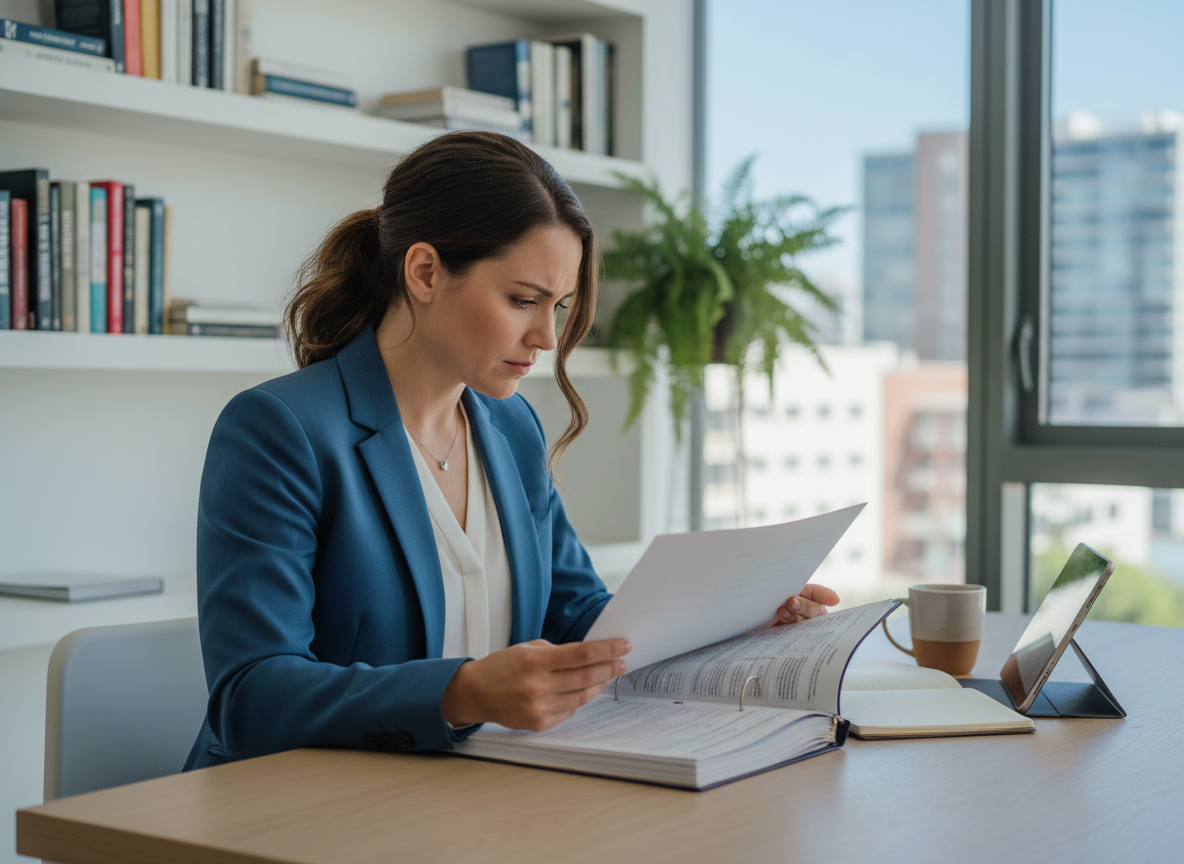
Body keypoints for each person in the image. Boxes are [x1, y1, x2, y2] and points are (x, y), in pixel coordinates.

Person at [184, 131, 838, 770]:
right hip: (299, 810)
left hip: (470, 800)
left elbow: (579, 615)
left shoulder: (509, 427)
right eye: (523, 300)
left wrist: (734, 624)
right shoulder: (280, 430)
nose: (547, 338)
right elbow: (250, 699)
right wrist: (460, 692)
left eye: (557, 306)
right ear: (425, 272)